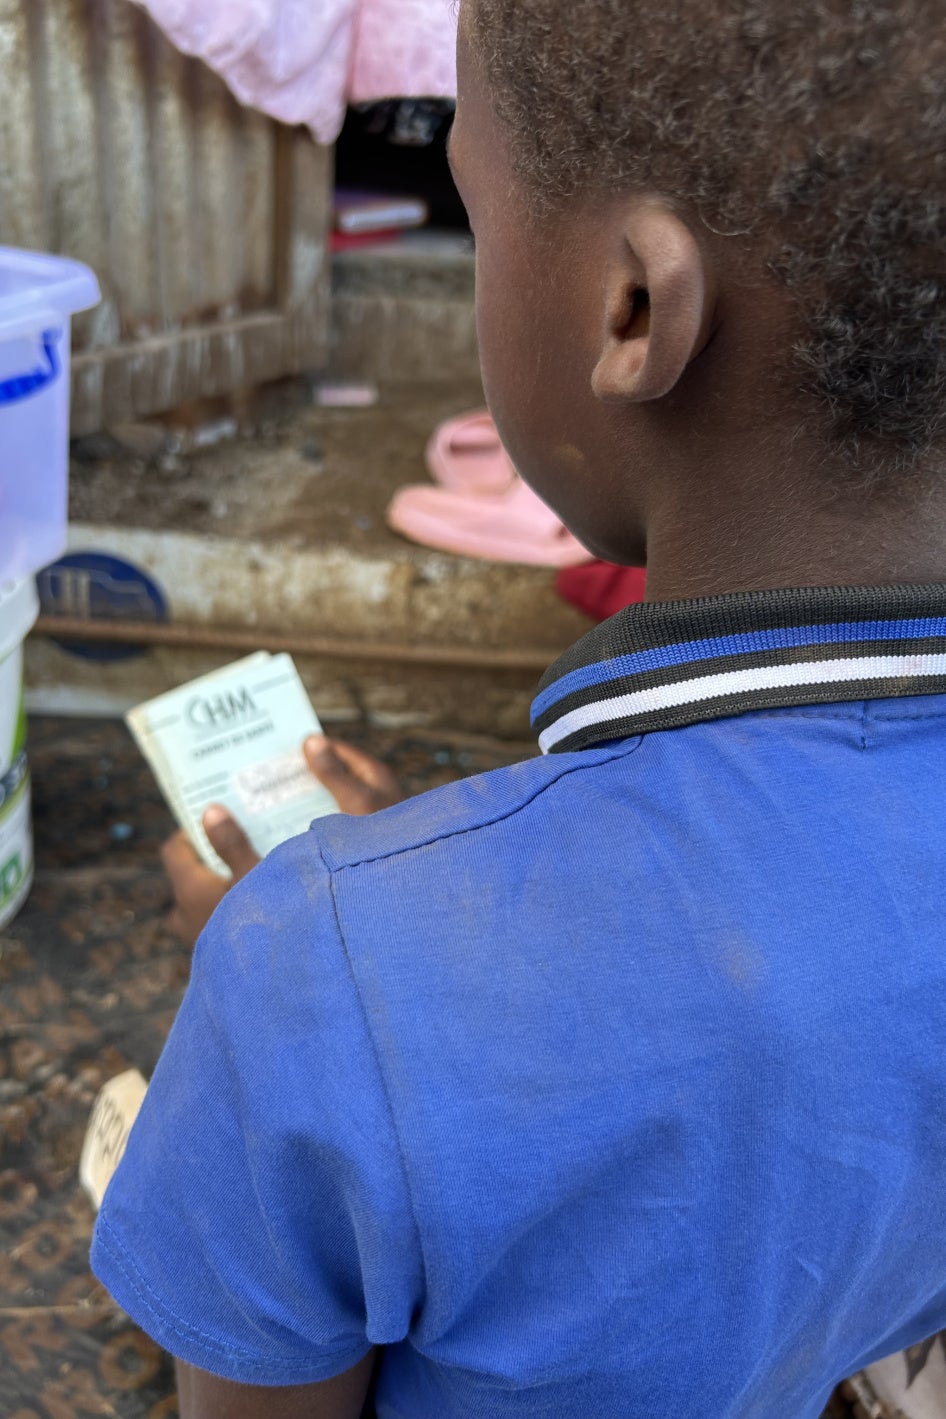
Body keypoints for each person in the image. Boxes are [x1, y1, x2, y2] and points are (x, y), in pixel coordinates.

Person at [91, 1, 946, 1416]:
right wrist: (424, 907)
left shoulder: (317, 974)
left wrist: (331, 964)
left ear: (629, 307)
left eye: (478, 217)